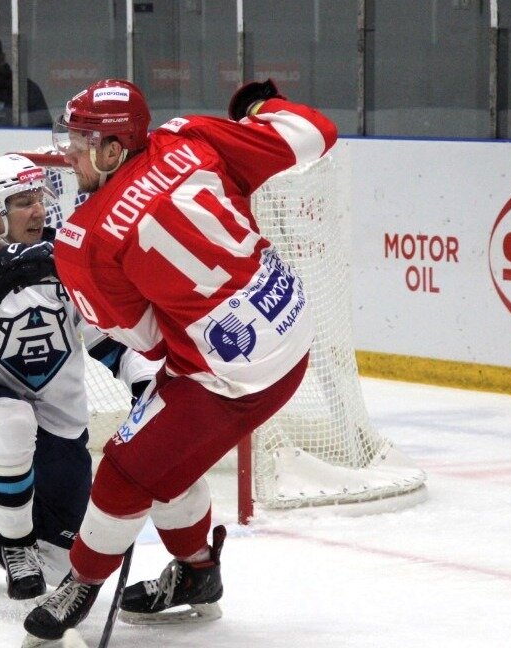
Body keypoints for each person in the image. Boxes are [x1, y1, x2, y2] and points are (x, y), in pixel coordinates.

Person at [20, 78, 338, 643]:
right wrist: (260, 108)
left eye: (80, 139)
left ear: (114, 150)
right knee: (170, 463)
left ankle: (82, 583)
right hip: (294, 340)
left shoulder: (82, 241)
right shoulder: (191, 136)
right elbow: (316, 131)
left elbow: (144, 339)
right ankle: (196, 575)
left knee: (123, 469)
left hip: (227, 378)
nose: (67, 151)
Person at [0, 153, 157, 600]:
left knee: (65, 560)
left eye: (39, 198)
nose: (39, 210)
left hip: (59, 422)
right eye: (23, 201)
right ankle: (17, 546)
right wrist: (2, 279)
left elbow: (107, 333)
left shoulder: (67, 251)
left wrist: (142, 380)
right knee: (10, 421)